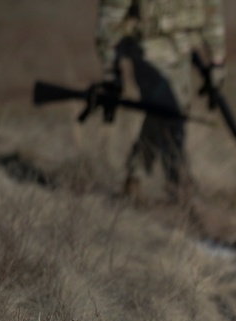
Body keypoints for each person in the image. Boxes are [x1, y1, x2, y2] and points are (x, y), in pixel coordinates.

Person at [96, 0, 226, 203]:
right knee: (168, 109)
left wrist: (217, 61)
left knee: (173, 111)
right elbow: (108, 23)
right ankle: (178, 179)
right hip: (146, 49)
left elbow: (212, 13)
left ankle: (136, 176)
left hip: (182, 51)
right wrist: (111, 73)